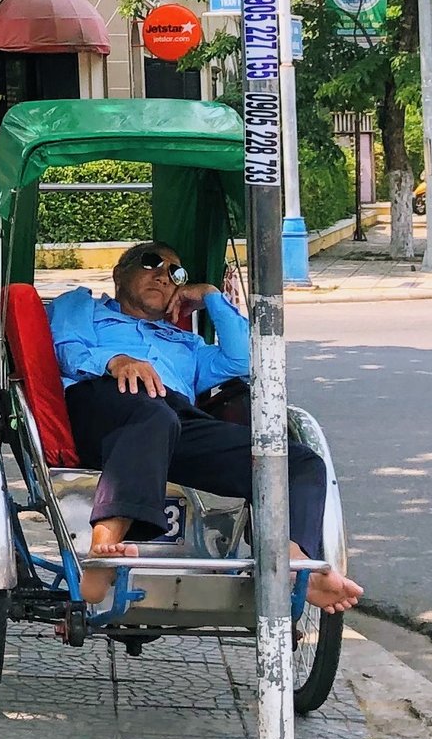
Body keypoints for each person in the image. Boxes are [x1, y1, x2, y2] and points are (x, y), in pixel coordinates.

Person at [48, 241, 363, 615]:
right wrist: (116, 360)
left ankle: (294, 563)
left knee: (298, 462)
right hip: (100, 403)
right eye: (151, 264)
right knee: (154, 416)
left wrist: (211, 296)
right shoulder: (83, 305)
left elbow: (247, 359)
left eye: (175, 273)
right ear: (120, 273)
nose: (163, 276)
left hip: (175, 423)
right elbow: (65, 347)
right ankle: (102, 554)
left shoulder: (187, 343)